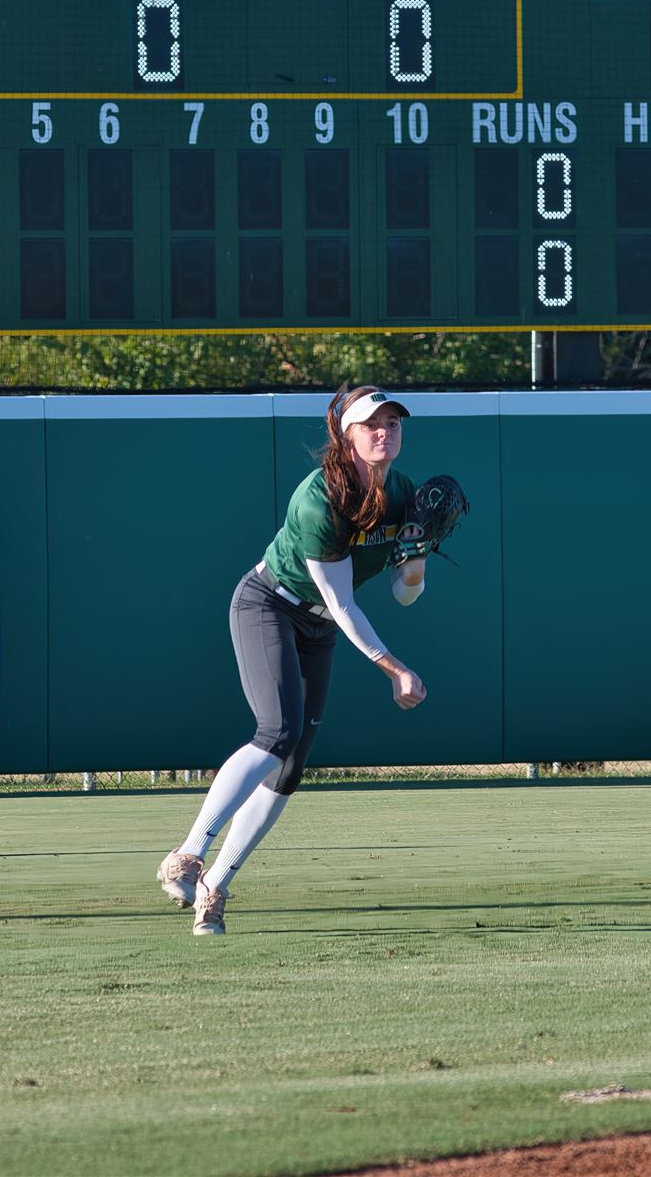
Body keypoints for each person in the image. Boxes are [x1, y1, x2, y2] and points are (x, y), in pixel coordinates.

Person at [156, 385, 430, 935]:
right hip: (268, 604)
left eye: (394, 423)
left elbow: (404, 592)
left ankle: (217, 886)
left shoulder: (402, 493)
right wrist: (394, 667)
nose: (385, 431)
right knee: (276, 731)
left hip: (319, 626)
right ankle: (187, 854)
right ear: (346, 435)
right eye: (372, 424)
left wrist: (417, 561)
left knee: (291, 764)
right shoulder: (320, 499)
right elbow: (343, 602)